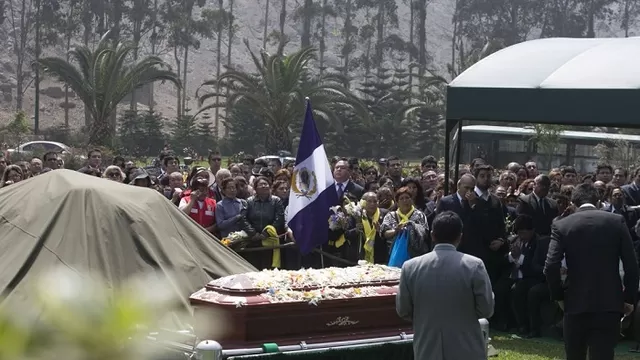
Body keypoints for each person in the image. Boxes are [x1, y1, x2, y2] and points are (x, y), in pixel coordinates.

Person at [545, 183, 639, 360]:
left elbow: (551, 265)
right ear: (598, 202)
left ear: (573, 203)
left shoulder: (562, 225)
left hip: (574, 301)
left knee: (574, 355)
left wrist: (558, 296)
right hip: (608, 303)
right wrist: (628, 299)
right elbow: (631, 265)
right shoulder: (616, 221)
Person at [396, 211, 494, 360]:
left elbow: (403, 310)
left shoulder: (410, 267)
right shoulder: (474, 265)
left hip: (427, 348)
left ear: (432, 235)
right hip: (466, 349)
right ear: (460, 236)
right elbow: (486, 309)